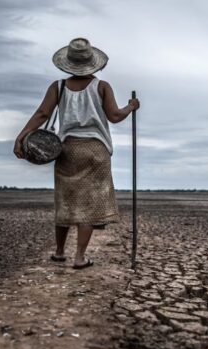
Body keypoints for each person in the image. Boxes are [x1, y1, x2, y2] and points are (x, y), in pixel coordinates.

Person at [13, 37, 139, 269]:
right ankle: (79, 257)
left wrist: (21, 136)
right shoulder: (101, 86)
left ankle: (60, 252)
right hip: (96, 151)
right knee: (89, 207)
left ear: (68, 63)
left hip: (67, 150)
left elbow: (42, 114)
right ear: (93, 63)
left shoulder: (58, 87)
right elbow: (115, 116)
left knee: (66, 202)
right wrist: (131, 107)